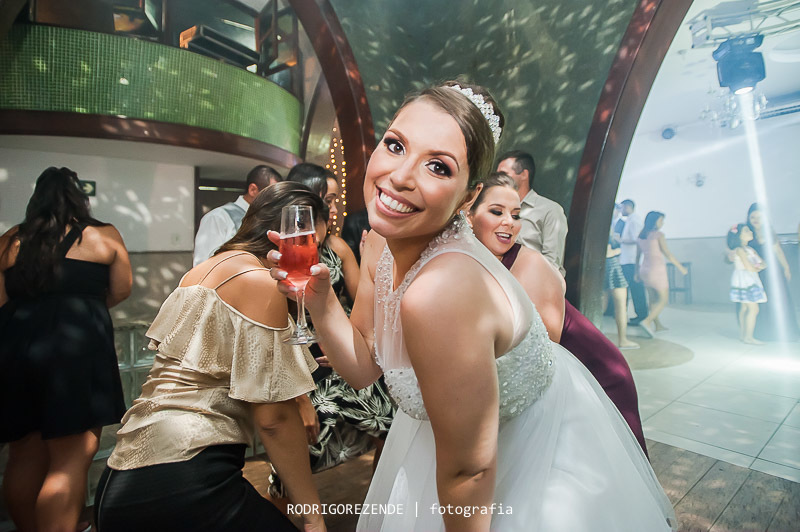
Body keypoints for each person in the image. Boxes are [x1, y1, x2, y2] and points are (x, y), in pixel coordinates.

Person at [270, 81, 674, 531]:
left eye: (438, 167)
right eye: (395, 144)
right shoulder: (381, 243)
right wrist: (322, 300)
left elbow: (471, 470)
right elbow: (365, 368)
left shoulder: (442, 291)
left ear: (466, 198)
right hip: (445, 443)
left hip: (532, 454)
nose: (400, 176)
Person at [95, 182, 325, 532]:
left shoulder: (204, 270)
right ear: (287, 237)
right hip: (184, 477)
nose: (315, 257)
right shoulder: (261, 281)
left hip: (122, 478)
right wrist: (313, 516)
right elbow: (274, 419)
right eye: (314, 245)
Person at [468, 172, 647, 454]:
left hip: (596, 374)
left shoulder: (529, 264)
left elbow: (542, 352)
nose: (509, 223)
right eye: (496, 211)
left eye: (516, 215)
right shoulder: (473, 263)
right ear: (468, 215)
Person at [0, 167, 132, 532]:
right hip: (74, 350)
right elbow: (122, 289)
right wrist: (84, 304)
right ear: (81, 199)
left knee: (23, 454)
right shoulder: (103, 236)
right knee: (69, 460)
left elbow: (0, 301)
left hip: (15, 351)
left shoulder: (11, 239)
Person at [282, 165, 394, 476]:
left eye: (335, 201)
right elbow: (275, 327)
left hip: (342, 355)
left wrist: (376, 267)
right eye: (327, 200)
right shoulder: (284, 250)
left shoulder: (338, 246)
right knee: (299, 460)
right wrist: (298, 395)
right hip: (301, 363)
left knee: (389, 424)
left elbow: (364, 303)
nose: (333, 209)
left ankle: (379, 508)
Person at [192, 164, 281, 266]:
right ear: (253, 190)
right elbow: (203, 264)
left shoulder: (266, 220)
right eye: (272, 195)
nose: (275, 201)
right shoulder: (218, 217)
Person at [496, 150, 568, 275]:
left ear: (524, 175)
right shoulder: (496, 210)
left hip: (533, 285)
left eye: (504, 174)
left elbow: (552, 264)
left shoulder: (550, 210)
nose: (498, 179)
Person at [746, 203, 800, 341]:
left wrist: (786, 267)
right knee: (761, 302)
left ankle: (782, 331)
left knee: (778, 300)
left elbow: (777, 251)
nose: (756, 219)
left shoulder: (769, 232)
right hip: (755, 273)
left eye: (759, 216)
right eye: (753, 217)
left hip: (773, 272)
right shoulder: (746, 233)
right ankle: (762, 331)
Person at [636, 211, 687, 337]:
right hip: (657, 271)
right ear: (654, 221)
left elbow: (637, 257)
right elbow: (667, 253)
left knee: (652, 299)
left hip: (645, 270)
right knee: (663, 299)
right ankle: (647, 321)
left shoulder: (641, 236)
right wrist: (681, 268)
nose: (662, 223)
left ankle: (657, 325)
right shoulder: (658, 235)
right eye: (661, 220)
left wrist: (636, 273)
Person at [727, 224, 767, 345]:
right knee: (753, 308)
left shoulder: (750, 249)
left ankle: (744, 335)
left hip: (749, 278)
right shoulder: (739, 250)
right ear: (739, 236)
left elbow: (763, 263)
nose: (750, 232)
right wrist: (757, 267)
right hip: (745, 280)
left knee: (745, 308)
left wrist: (757, 267)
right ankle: (748, 337)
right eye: (746, 230)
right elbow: (751, 267)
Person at [606, 218, 639, 349]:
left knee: (601, 306)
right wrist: (618, 251)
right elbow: (608, 252)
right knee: (620, 305)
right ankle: (623, 340)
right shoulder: (607, 230)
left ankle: (593, 341)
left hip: (602, 267)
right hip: (612, 266)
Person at [618, 199, 649, 325]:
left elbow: (638, 240)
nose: (621, 211)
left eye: (622, 208)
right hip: (627, 259)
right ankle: (638, 315)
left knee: (636, 289)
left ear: (628, 207)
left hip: (631, 260)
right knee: (633, 288)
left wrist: (621, 240)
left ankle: (641, 316)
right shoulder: (629, 220)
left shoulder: (635, 220)